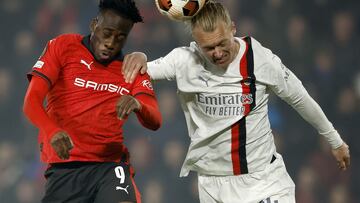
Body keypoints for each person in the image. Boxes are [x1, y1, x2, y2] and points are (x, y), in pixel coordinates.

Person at [122, 1, 350, 202]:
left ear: (233, 29)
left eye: (223, 43)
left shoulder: (258, 58)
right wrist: (141, 57)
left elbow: (299, 97)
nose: (218, 52)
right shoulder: (184, 60)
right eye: (209, 48)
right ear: (196, 42)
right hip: (213, 186)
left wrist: (334, 139)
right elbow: (134, 74)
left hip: (262, 182)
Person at [23, 0, 162, 202]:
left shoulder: (131, 69)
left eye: (120, 38)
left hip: (110, 167)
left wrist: (138, 105)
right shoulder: (63, 47)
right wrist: (51, 130)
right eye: (107, 33)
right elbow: (31, 101)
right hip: (65, 169)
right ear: (93, 25)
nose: (111, 43)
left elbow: (155, 120)